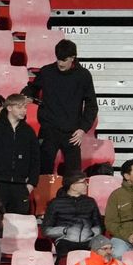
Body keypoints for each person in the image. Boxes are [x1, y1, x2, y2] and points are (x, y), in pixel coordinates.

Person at [25, 39, 98, 176]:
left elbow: (91, 105)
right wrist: (26, 96)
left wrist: (82, 129)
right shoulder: (47, 71)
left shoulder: (83, 75)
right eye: (58, 59)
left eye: (64, 60)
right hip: (48, 130)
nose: (60, 63)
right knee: (43, 173)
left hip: (72, 133)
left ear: (72, 58)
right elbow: (32, 89)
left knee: (74, 175)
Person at [0, 93, 39, 215]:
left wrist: (32, 182)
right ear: (9, 108)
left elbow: (35, 159)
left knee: (20, 220)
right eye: (19, 107)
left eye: (25, 107)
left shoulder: (28, 132)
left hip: (21, 185)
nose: (23, 110)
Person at [42, 172, 103, 264]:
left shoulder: (90, 202)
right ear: (73, 186)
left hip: (88, 241)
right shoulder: (55, 203)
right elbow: (46, 230)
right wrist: (64, 231)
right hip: (65, 241)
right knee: (66, 261)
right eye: (83, 182)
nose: (86, 185)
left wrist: (91, 233)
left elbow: (99, 225)